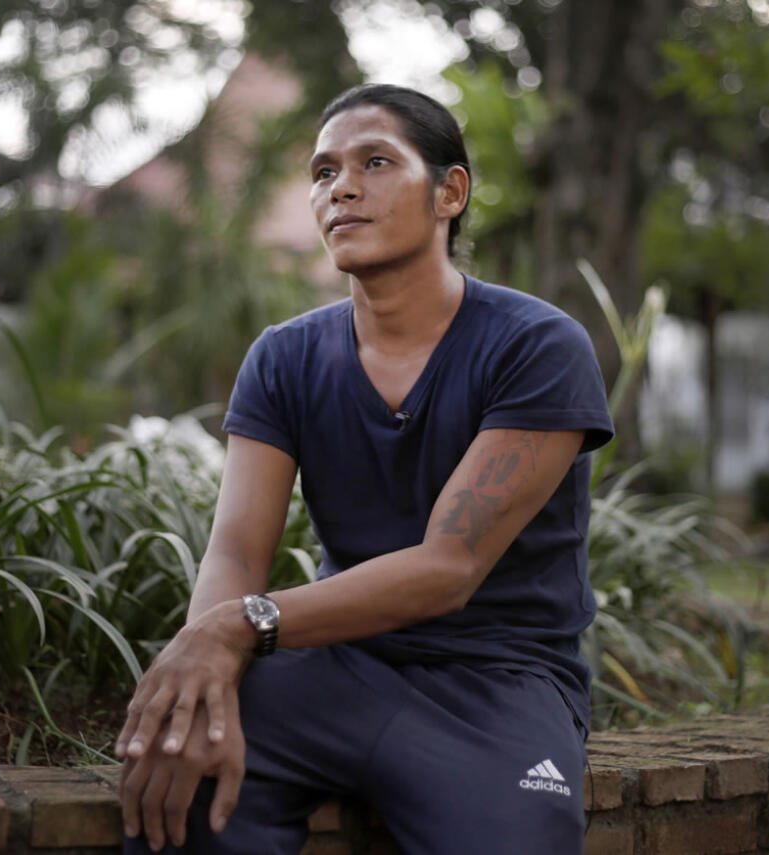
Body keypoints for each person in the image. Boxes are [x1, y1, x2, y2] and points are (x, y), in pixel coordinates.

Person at [115, 83, 614, 855]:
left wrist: (243, 623)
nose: (340, 186)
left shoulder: (537, 347)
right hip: (333, 666)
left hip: (496, 683)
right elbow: (237, 552)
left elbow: (447, 566)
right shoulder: (283, 358)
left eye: (375, 162)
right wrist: (206, 662)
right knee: (179, 786)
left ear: (450, 192)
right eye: (322, 172)